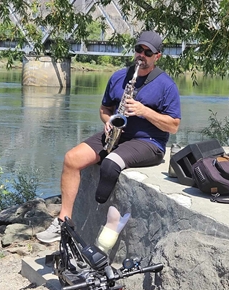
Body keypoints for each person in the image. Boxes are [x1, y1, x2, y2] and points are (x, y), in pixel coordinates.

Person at [36, 30, 181, 243]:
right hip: (117, 134)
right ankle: (63, 221)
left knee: (110, 164)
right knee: (71, 158)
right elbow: (104, 109)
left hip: (149, 142)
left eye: (147, 52)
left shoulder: (166, 85)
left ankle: (96, 220)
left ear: (157, 56)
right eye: (138, 49)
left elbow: (174, 126)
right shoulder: (119, 77)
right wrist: (109, 121)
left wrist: (143, 111)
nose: (141, 55)